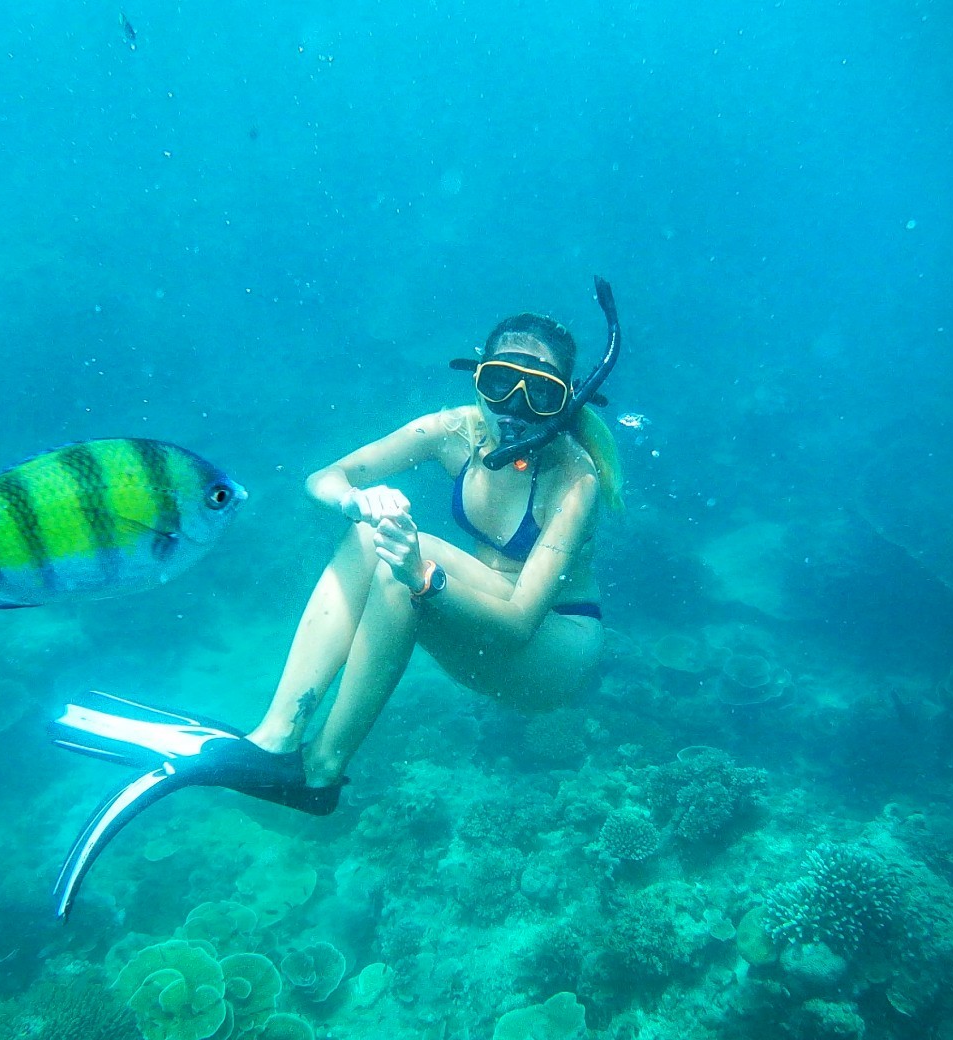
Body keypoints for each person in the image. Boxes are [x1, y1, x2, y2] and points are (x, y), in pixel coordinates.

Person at [50, 278, 623, 919]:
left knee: (403, 563)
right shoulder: (454, 431)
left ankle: (321, 767)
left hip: (549, 654)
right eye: (499, 384)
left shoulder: (576, 480)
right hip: (483, 620)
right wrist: (361, 500)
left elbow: (518, 624)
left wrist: (422, 574)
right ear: (476, 379)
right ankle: (280, 736)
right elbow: (325, 478)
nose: (515, 408)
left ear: (566, 402)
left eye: (540, 393)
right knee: (374, 539)